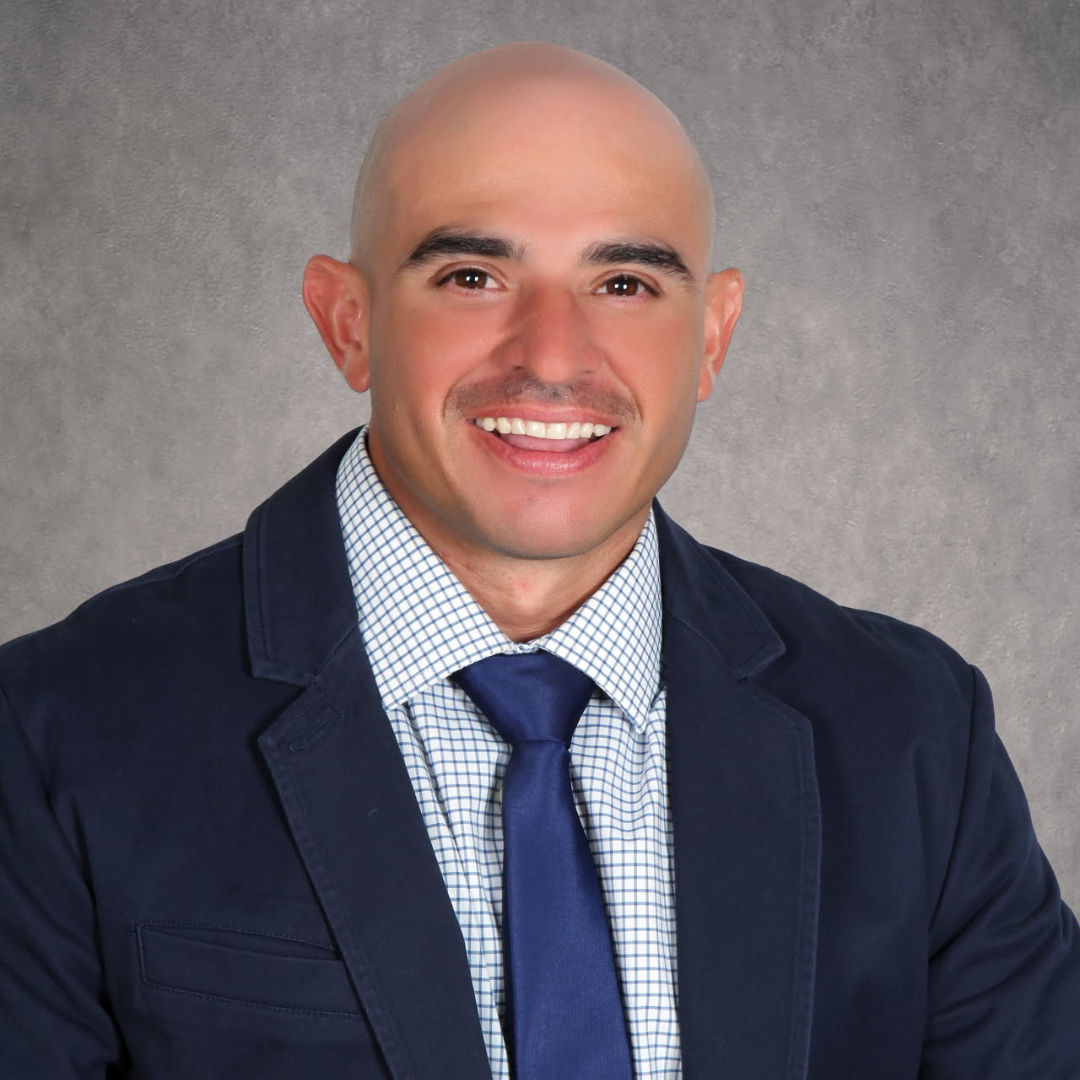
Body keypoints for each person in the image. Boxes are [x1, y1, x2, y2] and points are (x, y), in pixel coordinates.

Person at [0, 40, 1077, 1080]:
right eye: (472, 275)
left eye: (625, 284)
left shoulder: (914, 737)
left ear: (711, 337)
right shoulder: (54, 734)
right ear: (348, 323)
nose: (552, 355)